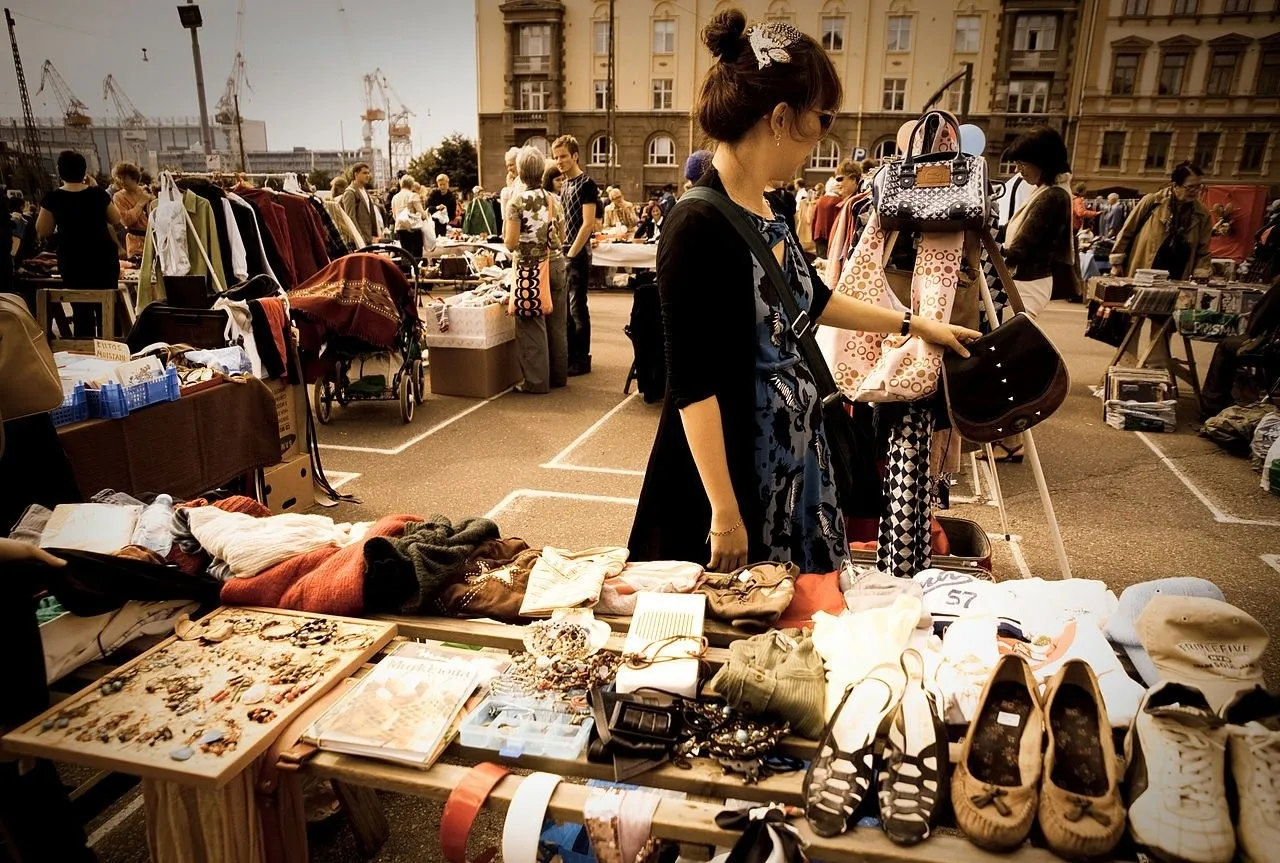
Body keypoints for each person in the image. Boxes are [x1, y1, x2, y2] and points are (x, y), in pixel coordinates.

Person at [628, 11, 979, 573]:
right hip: (736, 473)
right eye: (823, 118)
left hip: (791, 463)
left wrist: (915, 326)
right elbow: (691, 385)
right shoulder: (696, 222)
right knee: (736, 627)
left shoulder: (766, 205)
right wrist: (723, 511)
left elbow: (809, 299)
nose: (823, 136)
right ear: (781, 117)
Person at [36, 150, 126, 338]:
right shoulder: (98, 195)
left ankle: (84, 352)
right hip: (102, 259)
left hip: (72, 260)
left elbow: (42, 230)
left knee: (81, 310)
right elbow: (116, 218)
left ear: (60, 171)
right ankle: (110, 350)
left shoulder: (53, 198)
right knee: (107, 309)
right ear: (84, 171)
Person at [504, 147, 567, 394]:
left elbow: (510, 242)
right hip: (556, 264)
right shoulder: (555, 200)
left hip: (530, 268)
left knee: (531, 323)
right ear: (542, 172)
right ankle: (559, 376)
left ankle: (537, 381)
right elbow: (562, 236)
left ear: (520, 172)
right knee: (557, 323)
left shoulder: (516, 202)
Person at [1111, 161, 1212, 280]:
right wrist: (1116, 263)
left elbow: (1203, 250)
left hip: (1178, 272)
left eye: (1198, 187)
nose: (1195, 191)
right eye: (1190, 187)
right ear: (1175, 185)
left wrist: (1201, 273)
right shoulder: (1152, 202)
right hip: (1146, 267)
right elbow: (1127, 231)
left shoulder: (1202, 214)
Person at [551, 134, 599, 376]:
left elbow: (588, 224)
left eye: (563, 156)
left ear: (575, 156)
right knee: (567, 310)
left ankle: (582, 359)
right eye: (556, 157)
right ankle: (572, 355)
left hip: (577, 254)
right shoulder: (565, 184)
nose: (559, 161)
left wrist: (570, 253)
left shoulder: (587, 184)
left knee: (577, 306)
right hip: (565, 252)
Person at [111, 161, 151, 260]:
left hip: (153, 239)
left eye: (124, 178)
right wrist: (141, 203)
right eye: (119, 178)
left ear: (133, 177)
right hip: (135, 242)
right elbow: (125, 220)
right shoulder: (119, 197)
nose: (121, 181)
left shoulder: (147, 191)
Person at [339, 162, 377, 246]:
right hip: (358, 240)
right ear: (356, 174)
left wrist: (374, 234)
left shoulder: (364, 190)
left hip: (368, 237)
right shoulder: (350, 192)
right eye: (364, 173)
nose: (367, 175)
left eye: (368, 173)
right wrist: (359, 238)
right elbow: (351, 218)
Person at [811, 175, 843, 258]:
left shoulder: (820, 200)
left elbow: (814, 218)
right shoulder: (838, 201)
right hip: (831, 234)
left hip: (819, 234)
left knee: (820, 260)